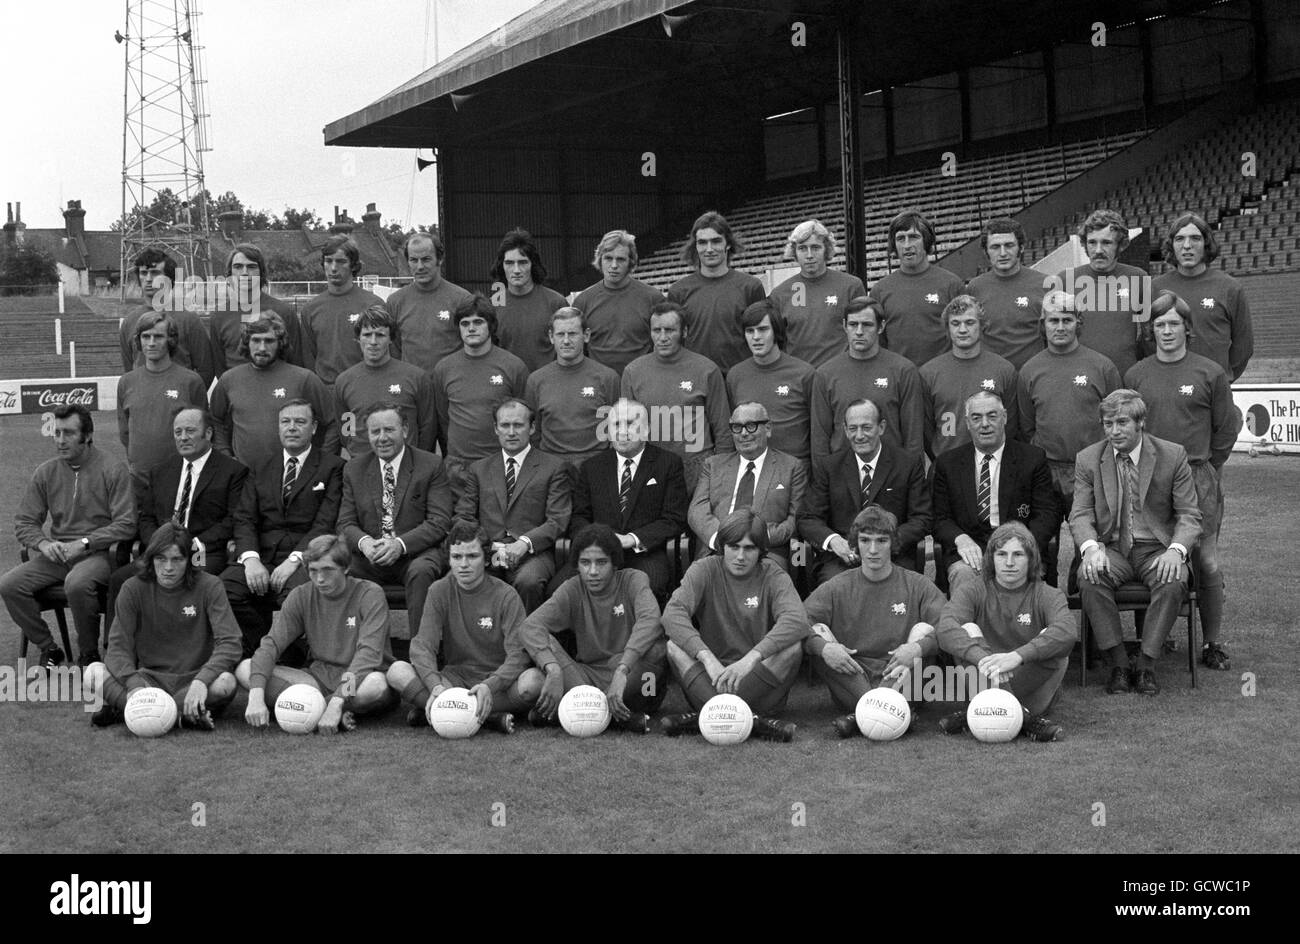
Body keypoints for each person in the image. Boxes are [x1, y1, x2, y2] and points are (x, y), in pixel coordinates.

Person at [1124, 291, 1236, 670]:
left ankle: (1212, 643)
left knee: (1205, 560)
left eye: (1174, 323)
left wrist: (1204, 467)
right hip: (1149, 476)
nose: (1167, 331)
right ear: (1151, 330)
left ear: (1187, 329)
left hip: (1197, 474)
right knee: (1149, 551)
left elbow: (1225, 429)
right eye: (1160, 325)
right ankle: (1154, 638)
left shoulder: (1210, 372)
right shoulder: (1136, 374)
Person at [1070, 389, 1201, 696]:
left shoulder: (1172, 455)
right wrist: (1090, 549)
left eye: (1122, 422)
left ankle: (1146, 665)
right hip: (1111, 548)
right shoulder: (1088, 459)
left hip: (1157, 548)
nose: (1114, 431)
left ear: (1141, 422)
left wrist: (1176, 551)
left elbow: (1190, 515)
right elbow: (1080, 513)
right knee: (1089, 577)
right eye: (1108, 423)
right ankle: (1117, 663)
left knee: (1173, 580)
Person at [2, 405, 135, 668]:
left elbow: (127, 524)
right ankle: (49, 648)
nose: (60, 440)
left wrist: (84, 543)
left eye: (69, 433)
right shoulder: (46, 472)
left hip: (98, 555)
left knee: (76, 583)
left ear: (87, 435)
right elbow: (25, 521)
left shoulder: (112, 468)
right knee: (8, 584)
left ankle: (89, 654)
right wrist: (43, 543)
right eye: (56, 432)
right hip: (58, 555)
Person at [660, 509, 808, 742]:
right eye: (734, 547)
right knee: (673, 646)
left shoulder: (773, 573)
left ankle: (706, 717)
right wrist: (707, 658)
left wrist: (750, 659)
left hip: (757, 680)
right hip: (713, 677)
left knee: (792, 648)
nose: (740, 556)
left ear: (760, 550)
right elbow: (672, 614)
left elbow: (797, 620)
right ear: (722, 546)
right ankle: (755, 722)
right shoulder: (704, 569)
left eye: (749, 548)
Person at [385, 520, 542, 733]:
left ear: (486, 559)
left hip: (495, 685)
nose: (464, 564)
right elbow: (422, 646)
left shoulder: (506, 596)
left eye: (472, 556)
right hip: (453, 682)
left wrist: (490, 685)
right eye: (457, 557)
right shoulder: (438, 590)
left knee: (533, 682)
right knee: (397, 671)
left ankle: (445, 711)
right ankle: (487, 717)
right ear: (449, 560)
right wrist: (435, 685)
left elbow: (519, 655)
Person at [803, 506, 946, 737]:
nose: (872, 549)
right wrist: (824, 648)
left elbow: (948, 627)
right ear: (855, 543)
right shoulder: (837, 586)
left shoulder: (917, 584)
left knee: (924, 630)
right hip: (853, 677)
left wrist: (918, 648)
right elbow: (797, 624)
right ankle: (888, 711)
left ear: (893, 544)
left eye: (881, 541)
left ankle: (863, 715)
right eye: (865, 540)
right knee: (818, 633)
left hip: (902, 675)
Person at [220, 399, 345, 657]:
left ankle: (298, 657)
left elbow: (325, 523)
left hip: (305, 557)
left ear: (313, 428)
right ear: (278, 427)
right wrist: (251, 560)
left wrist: (295, 560)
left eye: (300, 422)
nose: (292, 428)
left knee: (300, 595)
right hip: (262, 556)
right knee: (225, 588)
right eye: (285, 422)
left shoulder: (332, 467)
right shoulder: (259, 466)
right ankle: (264, 649)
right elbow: (244, 518)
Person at [106, 407, 248, 634]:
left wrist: (188, 543)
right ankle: (115, 652)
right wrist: (160, 542)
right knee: (120, 579)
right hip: (161, 552)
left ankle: (188, 650)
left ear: (208, 433)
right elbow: (146, 517)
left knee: (195, 580)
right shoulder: (161, 471)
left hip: (203, 552)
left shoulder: (233, 471)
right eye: (178, 432)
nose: (183, 437)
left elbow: (234, 520)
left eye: (190, 431)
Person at [88, 523, 241, 730]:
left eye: (177, 559)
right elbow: (117, 648)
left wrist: (202, 681)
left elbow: (231, 643)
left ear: (189, 560)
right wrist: (135, 686)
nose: (168, 568)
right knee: (92, 673)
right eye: (161, 559)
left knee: (226, 683)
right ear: (150, 559)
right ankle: (180, 717)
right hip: (148, 681)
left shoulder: (210, 586)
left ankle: (132, 710)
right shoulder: (132, 588)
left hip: (193, 680)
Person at [520, 524, 669, 733]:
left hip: (632, 678)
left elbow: (651, 620)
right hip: (585, 677)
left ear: (615, 562)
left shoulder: (634, 579)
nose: (592, 571)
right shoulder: (572, 588)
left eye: (601, 563)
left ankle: (578, 711)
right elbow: (530, 626)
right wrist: (552, 668)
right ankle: (612, 716)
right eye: (585, 563)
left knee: (658, 650)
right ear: (577, 565)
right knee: (530, 685)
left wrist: (623, 669)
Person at [238, 534, 394, 734]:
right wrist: (255, 697)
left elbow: (368, 656)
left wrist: (338, 701)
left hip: (361, 679)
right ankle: (322, 710)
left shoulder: (370, 594)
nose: (320, 579)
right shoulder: (301, 595)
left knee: (377, 684)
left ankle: (319, 709)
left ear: (346, 568)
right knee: (245, 668)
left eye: (328, 570)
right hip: (317, 680)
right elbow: (272, 644)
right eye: (313, 571)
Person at [936, 522, 1072, 742]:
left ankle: (978, 712)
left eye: (1018, 554)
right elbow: (945, 628)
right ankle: (1025, 720)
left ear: (1031, 559)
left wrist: (1017, 657)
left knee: (1054, 637)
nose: (1009, 562)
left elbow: (1067, 632)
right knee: (967, 630)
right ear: (991, 558)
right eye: (1001, 554)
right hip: (984, 676)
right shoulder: (973, 589)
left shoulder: (1048, 594)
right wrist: (987, 661)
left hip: (1030, 688)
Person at [338, 402, 452, 638]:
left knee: (422, 571)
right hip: (370, 554)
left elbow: (439, 521)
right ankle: (352, 652)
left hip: (415, 553)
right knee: (338, 567)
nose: (382, 438)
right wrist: (365, 543)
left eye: (389, 430)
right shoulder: (354, 468)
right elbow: (345, 523)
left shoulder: (430, 465)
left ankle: (422, 652)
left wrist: (399, 545)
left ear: (405, 430)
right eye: (375, 431)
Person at [454, 399, 572, 613]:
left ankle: (526, 642)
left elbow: (557, 520)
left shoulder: (554, 467)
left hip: (533, 553)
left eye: (518, 425)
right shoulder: (479, 469)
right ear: (495, 429)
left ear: (532, 428)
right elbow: (464, 516)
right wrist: (486, 547)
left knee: (529, 581)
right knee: (460, 577)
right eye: (505, 426)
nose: (511, 432)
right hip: (486, 551)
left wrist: (524, 543)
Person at [1017, 291, 1122, 527]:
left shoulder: (1102, 367)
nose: (1061, 327)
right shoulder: (1029, 370)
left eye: (1067, 320)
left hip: (1091, 468)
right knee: (1041, 545)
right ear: (1043, 325)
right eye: (1054, 320)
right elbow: (1027, 426)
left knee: (1091, 544)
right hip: (1046, 471)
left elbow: (1118, 420)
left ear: (1078, 322)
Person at [569, 398, 688, 606]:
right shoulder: (592, 467)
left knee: (650, 586)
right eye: (616, 424)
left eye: (630, 423)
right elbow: (579, 517)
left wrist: (632, 539)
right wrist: (599, 542)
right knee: (560, 589)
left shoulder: (668, 464)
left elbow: (674, 519)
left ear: (646, 429)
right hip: (597, 552)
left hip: (645, 553)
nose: (622, 431)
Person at [799, 399, 931, 585]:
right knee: (836, 587)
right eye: (853, 429)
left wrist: (884, 543)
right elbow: (808, 518)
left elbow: (922, 519)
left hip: (893, 556)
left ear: (881, 427)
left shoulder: (907, 464)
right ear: (845, 430)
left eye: (866, 427)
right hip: (842, 558)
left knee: (901, 588)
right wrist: (835, 542)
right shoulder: (829, 467)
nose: (859, 435)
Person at [931, 392, 1055, 590]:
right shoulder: (948, 463)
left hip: (1019, 546)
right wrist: (961, 540)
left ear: (1004, 417)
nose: (985, 423)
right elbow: (940, 518)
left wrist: (1021, 547)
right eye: (976, 417)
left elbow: (1047, 514)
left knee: (1020, 574)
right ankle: (967, 623)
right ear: (967, 423)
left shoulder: (1032, 459)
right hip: (971, 549)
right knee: (964, 574)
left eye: (992, 415)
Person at [620, 300, 733, 492]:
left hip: (697, 466)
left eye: (670, 330)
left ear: (684, 332)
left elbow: (722, 428)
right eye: (657, 330)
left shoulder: (706, 370)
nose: (662, 337)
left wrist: (722, 470)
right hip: (652, 466)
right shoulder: (633, 372)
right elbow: (627, 430)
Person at [210, 314, 337, 472]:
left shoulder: (304, 379)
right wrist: (226, 456)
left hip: (292, 477)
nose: (262, 348)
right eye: (256, 340)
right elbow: (215, 420)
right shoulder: (228, 379)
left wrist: (321, 461)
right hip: (244, 477)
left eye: (269, 341)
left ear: (280, 344)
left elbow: (336, 421)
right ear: (246, 342)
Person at [687, 402, 805, 571]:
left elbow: (796, 519)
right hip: (717, 551)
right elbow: (696, 511)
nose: (743, 433)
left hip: (766, 553)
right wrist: (721, 539)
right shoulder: (713, 465)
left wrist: (756, 539)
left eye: (751, 426)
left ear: (768, 428)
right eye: (737, 427)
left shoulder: (791, 467)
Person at [431, 293, 530, 484]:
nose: (471, 328)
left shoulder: (513, 366)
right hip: (458, 467)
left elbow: (525, 417)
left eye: (478, 322)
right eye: (465, 323)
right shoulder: (444, 368)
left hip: (501, 464)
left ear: (490, 325)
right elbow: (444, 418)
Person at [725, 298, 832, 469]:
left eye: (763, 329)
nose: (756, 337)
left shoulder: (804, 373)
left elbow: (819, 433)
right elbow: (732, 429)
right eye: (750, 331)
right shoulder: (735, 376)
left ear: (776, 331)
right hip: (752, 471)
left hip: (796, 470)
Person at [1151, 211, 1254, 381]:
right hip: (1167, 383)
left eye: (1195, 238)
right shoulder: (1154, 288)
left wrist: (1222, 377)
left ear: (1206, 243)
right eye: (1179, 239)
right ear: (1172, 245)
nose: (1187, 245)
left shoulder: (1230, 288)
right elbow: (1147, 342)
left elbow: (1244, 345)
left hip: (1213, 389)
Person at [819, 297, 925, 454]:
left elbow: (913, 437)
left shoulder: (904, 370)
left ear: (881, 326)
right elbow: (820, 437)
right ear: (844, 326)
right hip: (842, 472)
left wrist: (912, 476)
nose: (859, 332)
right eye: (853, 325)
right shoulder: (825, 374)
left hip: (892, 471)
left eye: (867, 325)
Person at [1050, 208, 1148, 378]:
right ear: (1084, 244)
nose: (1098, 250)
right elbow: (1051, 334)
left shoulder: (1138, 277)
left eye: (1107, 243)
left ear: (1121, 245)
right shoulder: (1065, 280)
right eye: (1092, 242)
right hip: (1078, 378)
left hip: (1124, 379)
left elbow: (1150, 333)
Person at [919, 294, 1019, 459]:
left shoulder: (1004, 370)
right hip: (946, 464)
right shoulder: (929, 373)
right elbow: (926, 429)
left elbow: (1011, 425)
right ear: (947, 328)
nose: (963, 330)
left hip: (993, 463)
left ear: (982, 326)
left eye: (970, 322)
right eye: (955, 323)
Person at [667, 211, 766, 374]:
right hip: (694, 380)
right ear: (695, 246)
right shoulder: (678, 291)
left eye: (716, 241)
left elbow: (762, 336)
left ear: (728, 243)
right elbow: (674, 343)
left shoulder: (751, 287)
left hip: (739, 379)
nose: (709, 249)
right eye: (702, 243)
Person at [523, 307, 621, 468]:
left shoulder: (608, 378)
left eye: (573, 334)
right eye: (560, 334)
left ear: (586, 335)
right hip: (552, 467)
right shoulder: (536, 381)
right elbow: (533, 431)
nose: (566, 341)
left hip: (597, 465)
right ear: (551, 337)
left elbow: (618, 428)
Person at [333, 305, 435, 458]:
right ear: (358, 338)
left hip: (407, 467)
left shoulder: (416, 377)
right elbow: (345, 428)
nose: (373, 341)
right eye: (367, 335)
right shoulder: (344, 381)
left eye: (380, 335)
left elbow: (428, 428)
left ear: (391, 340)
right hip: (362, 468)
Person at [116, 311, 209, 478]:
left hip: (181, 478)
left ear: (170, 340)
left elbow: (203, 433)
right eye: (146, 337)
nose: (151, 343)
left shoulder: (191, 382)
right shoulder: (126, 383)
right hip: (139, 479)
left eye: (158, 337)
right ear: (139, 340)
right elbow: (125, 433)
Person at [868, 210, 964, 366]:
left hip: (941, 378)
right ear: (894, 245)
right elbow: (878, 343)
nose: (907, 245)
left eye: (914, 237)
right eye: (900, 238)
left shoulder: (952, 285)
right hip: (899, 379)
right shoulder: (880, 291)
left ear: (926, 241)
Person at [768, 219, 867, 367]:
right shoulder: (779, 294)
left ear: (826, 249)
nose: (809, 255)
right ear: (794, 252)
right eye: (802, 248)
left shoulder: (851, 286)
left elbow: (864, 333)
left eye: (815, 247)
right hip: (798, 379)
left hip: (839, 376)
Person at [119, 248, 217, 387]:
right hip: (144, 402)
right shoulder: (129, 322)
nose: (148, 279)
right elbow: (129, 369)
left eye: (155, 273)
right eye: (143, 273)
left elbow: (206, 369)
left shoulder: (189, 320)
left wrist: (189, 399)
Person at [298, 235, 384, 387]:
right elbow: (308, 359)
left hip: (365, 388)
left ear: (353, 265)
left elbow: (386, 353)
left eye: (341, 261)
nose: (333, 268)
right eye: (329, 261)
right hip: (326, 392)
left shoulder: (373, 304)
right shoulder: (310, 309)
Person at [571, 229, 659, 376]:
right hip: (597, 384)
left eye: (620, 259)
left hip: (641, 381)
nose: (613, 265)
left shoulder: (652, 299)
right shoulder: (583, 301)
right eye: (608, 258)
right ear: (600, 259)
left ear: (631, 262)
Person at [386, 231, 476, 373]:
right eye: (414, 260)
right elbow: (393, 348)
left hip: (450, 386)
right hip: (412, 388)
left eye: (426, 259)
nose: (420, 266)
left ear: (440, 259)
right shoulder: (395, 302)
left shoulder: (462, 299)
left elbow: (472, 345)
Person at [965, 218, 1047, 370]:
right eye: (995, 247)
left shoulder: (1045, 284)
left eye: (1009, 245)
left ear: (1021, 247)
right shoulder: (975, 288)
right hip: (991, 376)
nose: (1003, 253)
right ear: (986, 252)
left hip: (1034, 376)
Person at [209, 243, 304, 373]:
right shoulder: (219, 316)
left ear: (261, 272)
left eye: (251, 267)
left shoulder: (284, 312)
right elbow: (220, 368)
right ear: (229, 273)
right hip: (238, 390)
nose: (244, 273)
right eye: (238, 267)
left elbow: (296, 363)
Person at [490, 227, 568, 373]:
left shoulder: (556, 303)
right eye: (509, 263)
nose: (517, 270)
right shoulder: (493, 305)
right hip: (508, 388)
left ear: (533, 264)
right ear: (502, 266)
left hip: (547, 389)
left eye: (523, 262)